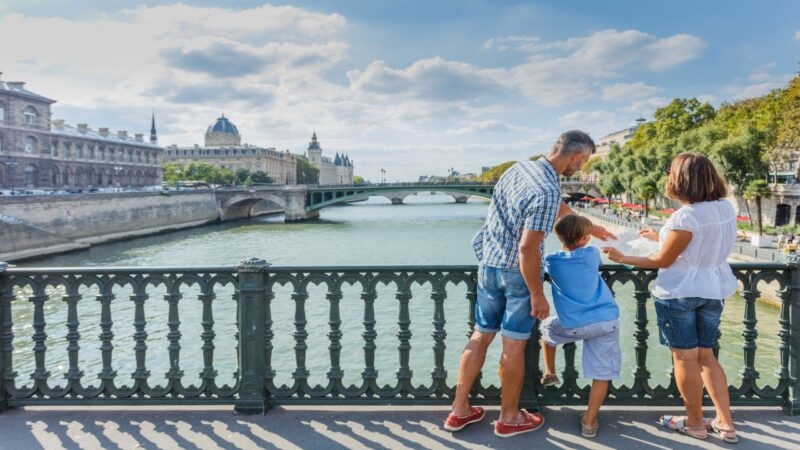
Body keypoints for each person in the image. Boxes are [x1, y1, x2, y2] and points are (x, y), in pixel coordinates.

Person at [443, 130, 615, 438]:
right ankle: (509, 417)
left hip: (488, 264)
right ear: (576, 156)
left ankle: (459, 410)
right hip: (516, 273)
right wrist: (537, 294)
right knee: (513, 344)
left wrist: (593, 226)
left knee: (480, 335)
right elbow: (527, 248)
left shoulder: (519, 168)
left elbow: (558, 208)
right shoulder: (547, 191)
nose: (584, 164)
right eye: (586, 159)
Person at [602, 152, 739, 444]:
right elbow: (694, 244)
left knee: (684, 358)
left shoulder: (686, 216)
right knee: (707, 357)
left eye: (670, 172)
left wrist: (622, 256)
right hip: (712, 290)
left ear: (680, 179)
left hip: (679, 293)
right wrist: (660, 236)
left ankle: (694, 423)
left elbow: (663, 261)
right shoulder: (724, 209)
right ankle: (726, 423)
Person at [539, 214, 620, 438]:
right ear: (585, 238)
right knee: (601, 373)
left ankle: (550, 371)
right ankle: (590, 421)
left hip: (574, 325)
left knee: (546, 328)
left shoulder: (552, 260)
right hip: (605, 321)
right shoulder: (591, 254)